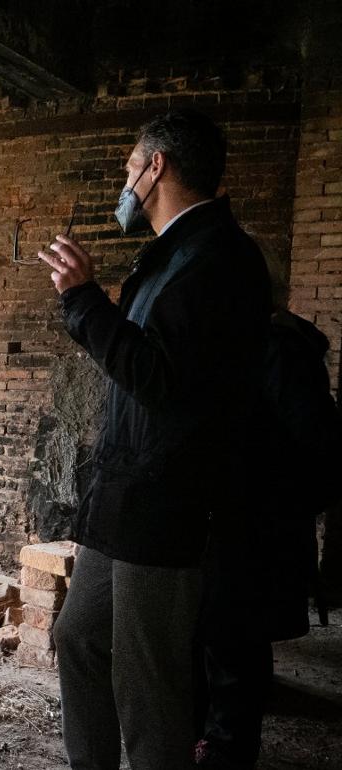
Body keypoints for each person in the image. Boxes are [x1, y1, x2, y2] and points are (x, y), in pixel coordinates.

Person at [40, 109, 270, 769]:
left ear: (155, 166)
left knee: (148, 686)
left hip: (170, 505)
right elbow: (143, 369)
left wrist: (85, 301)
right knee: (79, 637)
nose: (125, 180)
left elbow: (162, 380)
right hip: (126, 500)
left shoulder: (218, 258)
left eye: (129, 167)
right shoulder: (175, 254)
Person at [194, 287, 342, 768]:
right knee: (222, 643)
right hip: (237, 521)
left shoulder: (279, 347)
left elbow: (320, 447)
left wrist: (267, 501)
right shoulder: (250, 342)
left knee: (235, 647)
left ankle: (225, 753)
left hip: (253, 528)